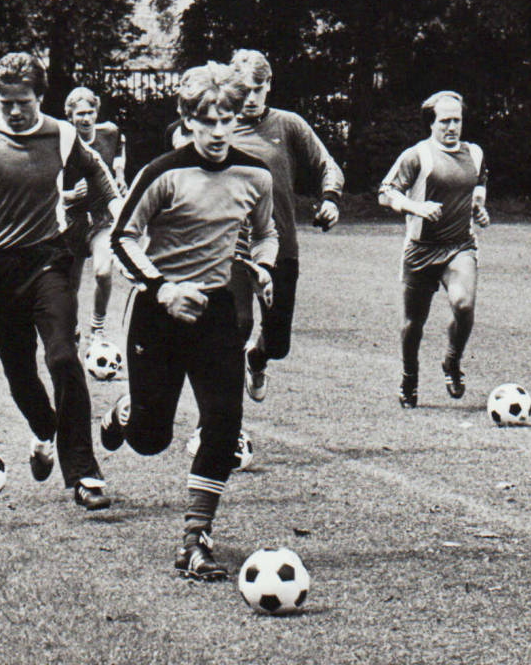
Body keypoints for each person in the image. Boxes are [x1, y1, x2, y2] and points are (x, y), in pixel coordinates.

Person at [0, 52, 122, 510]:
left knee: (64, 357)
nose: (13, 110)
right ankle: (44, 430)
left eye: (23, 102)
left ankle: (84, 475)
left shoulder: (62, 134)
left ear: (40, 98)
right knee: (19, 376)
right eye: (5, 101)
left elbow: (102, 180)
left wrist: (119, 218)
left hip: (50, 261)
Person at [99, 61, 277, 580]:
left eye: (229, 120)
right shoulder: (162, 173)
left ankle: (195, 541)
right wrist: (163, 288)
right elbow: (120, 240)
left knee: (222, 422)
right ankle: (127, 410)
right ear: (188, 119)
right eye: (208, 121)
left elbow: (267, 233)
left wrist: (262, 266)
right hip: (159, 314)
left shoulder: (256, 174)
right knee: (152, 438)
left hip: (217, 313)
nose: (219, 132)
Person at [229, 49, 345, 402]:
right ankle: (219, 425)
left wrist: (330, 199)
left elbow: (328, 164)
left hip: (280, 245)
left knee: (277, 343)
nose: (250, 98)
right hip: (230, 246)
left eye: (257, 89)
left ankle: (258, 357)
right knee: (237, 326)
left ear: (269, 86)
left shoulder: (288, 124)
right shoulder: (218, 126)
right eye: (242, 89)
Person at [379, 91, 489, 408]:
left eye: (457, 120)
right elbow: (385, 194)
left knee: (464, 305)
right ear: (432, 122)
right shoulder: (417, 156)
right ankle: (409, 378)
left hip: (460, 246)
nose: (452, 127)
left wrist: (479, 211)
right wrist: (416, 207)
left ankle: (452, 362)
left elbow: (477, 189)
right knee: (413, 324)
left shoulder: (476, 154)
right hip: (421, 250)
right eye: (445, 121)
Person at [62, 87, 128, 341]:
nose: (85, 118)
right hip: (72, 219)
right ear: (70, 117)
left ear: (96, 112)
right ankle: (73, 328)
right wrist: (67, 194)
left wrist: (120, 174)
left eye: (90, 112)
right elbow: (46, 180)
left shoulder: (109, 133)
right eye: (79, 114)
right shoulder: (62, 142)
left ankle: (97, 329)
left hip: (102, 217)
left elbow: (120, 148)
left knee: (103, 271)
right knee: (71, 283)